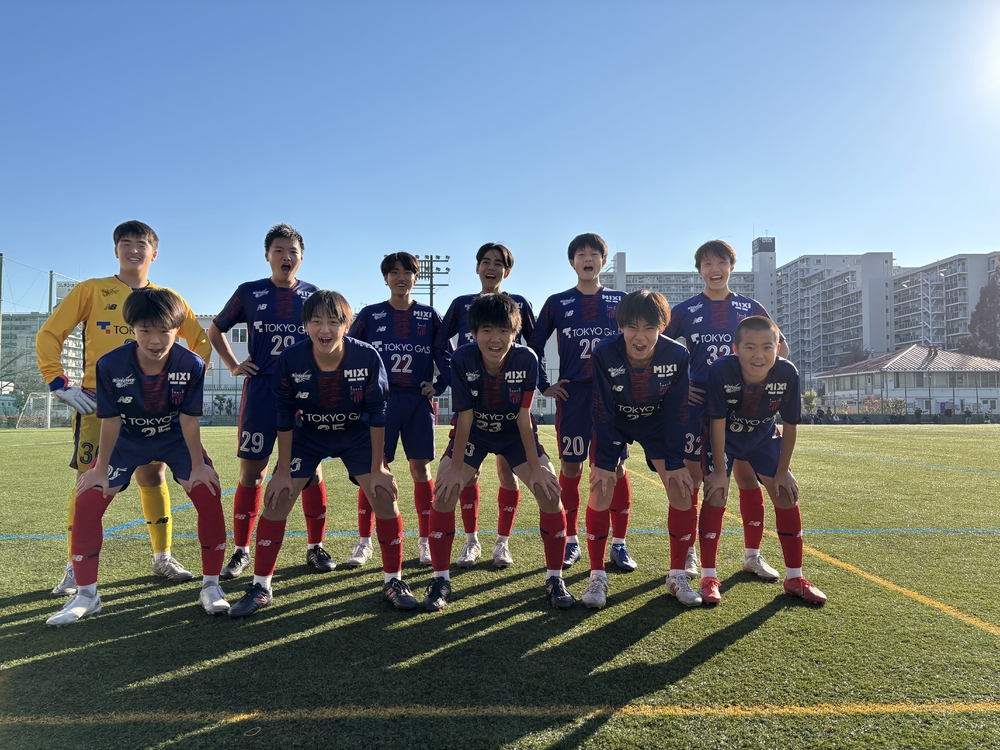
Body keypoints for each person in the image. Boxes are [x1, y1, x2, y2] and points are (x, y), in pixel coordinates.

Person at [36, 220, 210, 597]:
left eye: (141, 244)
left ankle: (162, 557)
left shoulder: (168, 298)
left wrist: (180, 388)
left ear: (154, 253)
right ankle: (74, 566)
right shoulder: (91, 290)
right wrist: (58, 380)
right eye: (126, 243)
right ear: (115, 250)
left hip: (155, 405)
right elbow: (49, 333)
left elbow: (200, 342)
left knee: (153, 475)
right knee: (89, 482)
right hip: (99, 404)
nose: (133, 249)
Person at [228, 290, 418, 617]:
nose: (324, 329)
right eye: (316, 321)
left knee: (384, 495)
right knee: (277, 498)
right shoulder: (291, 358)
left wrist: (378, 467)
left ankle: (394, 581)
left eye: (333, 321)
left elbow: (377, 413)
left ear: (347, 325)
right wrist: (283, 470)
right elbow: (284, 414)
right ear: (305, 325)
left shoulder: (366, 356)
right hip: (309, 435)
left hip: (355, 434)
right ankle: (261, 586)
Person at [46, 288, 228, 625]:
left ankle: (211, 586)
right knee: (88, 499)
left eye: (164, 331)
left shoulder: (191, 364)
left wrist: (199, 466)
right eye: (145, 330)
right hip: (128, 440)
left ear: (178, 329)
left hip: (173, 438)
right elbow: (111, 419)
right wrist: (100, 469)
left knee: (208, 491)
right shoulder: (110, 364)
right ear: (133, 328)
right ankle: (87, 595)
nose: (155, 340)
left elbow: (189, 420)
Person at [425, 293, 569, 611]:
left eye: (503, 330)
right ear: (474, 332)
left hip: (514, 434)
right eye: (487, 330)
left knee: (549, 491)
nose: (495, 338)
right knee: (444, 491)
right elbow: (465, 418)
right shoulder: (462, 358)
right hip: (475, 432)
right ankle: (440, 580)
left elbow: (523, 417)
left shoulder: (527, 358)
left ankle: (555, 579)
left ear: (514, 332)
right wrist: (455, 468)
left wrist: (536, 468)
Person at [207, 224, 328, 579]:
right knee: (252, 473)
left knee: (311, 471)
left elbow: (328, 337)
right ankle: (241, 551)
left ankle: (315, 546)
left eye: (292, 252)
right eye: (279, 250)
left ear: (301, 258)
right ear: (267, 255)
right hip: (261, 391)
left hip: (304, 393)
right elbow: (215, 329)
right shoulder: (249, 292)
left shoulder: (314, 295)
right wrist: (233, 364)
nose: (286, 257)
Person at [664, 240, 787, 584]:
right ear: (699, 270)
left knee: (748, 478)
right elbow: (659, 352)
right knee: (694, 481)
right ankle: (689, 552)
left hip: (745, 408)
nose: (714, 269)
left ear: (732, 267)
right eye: (707, 264)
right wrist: (680, 386)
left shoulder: (751, 308)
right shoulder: (685, 310)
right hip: (699, 408)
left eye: (721, 263)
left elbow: (781, 349)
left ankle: (752, 555)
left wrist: (759, 382)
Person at [700, 316, 827, 606]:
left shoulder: (787, 372)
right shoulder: (722, 370)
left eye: (767, 347)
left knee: (786, 493)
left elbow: (791, 425)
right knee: (716, 492)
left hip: (762, 435)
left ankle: (794, 578)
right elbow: (716, 422)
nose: (759, 355)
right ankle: (709, 577)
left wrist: (783, 471)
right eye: (750, 347)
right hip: (725, 436)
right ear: (736, 349)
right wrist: (719, 471)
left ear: (778, 348)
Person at [581, 291, 697, 608]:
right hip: (615, 423)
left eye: (649, 327)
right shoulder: (605, 352)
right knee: (601, 487)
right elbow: (602, 409)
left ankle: (677, 574)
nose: (640, 336)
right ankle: (596, 576)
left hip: (656, 424)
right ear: (621, 327)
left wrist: (675, 461)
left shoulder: (677, 354)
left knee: (681, 488)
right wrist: (604, 462)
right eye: (632, 327)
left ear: (662, 327)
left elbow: (677, 411)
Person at [529, 234, 630, 572]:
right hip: (574, 397)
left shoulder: (620, 300)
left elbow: (642, 340)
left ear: (603, 260)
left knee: (616, 468)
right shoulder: (557, 302)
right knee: (571, 467)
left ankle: (619, 544)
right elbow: (532, 345)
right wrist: (544, 385)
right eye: (581, 254)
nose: (588, 259)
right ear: (572, 262)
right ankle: (571, 540)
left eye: (594, 254)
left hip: (612, 397)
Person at [347, 252, 452, 569]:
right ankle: (364, 542)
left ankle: (425, 540)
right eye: (394, 272)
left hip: (417, 402)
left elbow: (445, 355)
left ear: (415, 278)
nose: (401, 277)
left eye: (407, 272)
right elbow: (347, 349)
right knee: (373, 468)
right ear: (386, 278)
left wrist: (439, 385)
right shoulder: (371, 314)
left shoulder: (429, 316)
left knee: (420, 469)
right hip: (381, 403)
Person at [436, 243, 536, 568]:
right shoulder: (461, 304)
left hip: (509, 405)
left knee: (508, 471)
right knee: (466, 475)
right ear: (477, 267)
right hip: (472, 402)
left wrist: (541, 383)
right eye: (485, 262)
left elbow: (534, 346)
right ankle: (471, 542)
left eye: (498, 263)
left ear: (507, 271)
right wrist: (449, 378)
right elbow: (439, 344)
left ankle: (502, 544)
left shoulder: (518, 304)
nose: (491, 268)